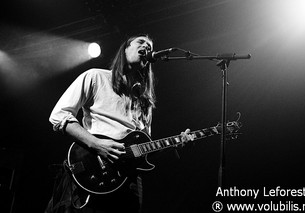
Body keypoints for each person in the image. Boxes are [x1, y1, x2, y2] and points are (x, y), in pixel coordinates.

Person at [45, 34, 194, 213]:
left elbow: (144, 148)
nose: (147, 47)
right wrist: (96, 144)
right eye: (141, 42)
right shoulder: (96, 77)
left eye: (150, 46)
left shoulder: (145, 102)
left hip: (129, 182)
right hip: (94, 169)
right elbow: (59, 114)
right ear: (124, 50)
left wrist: (176, 143)